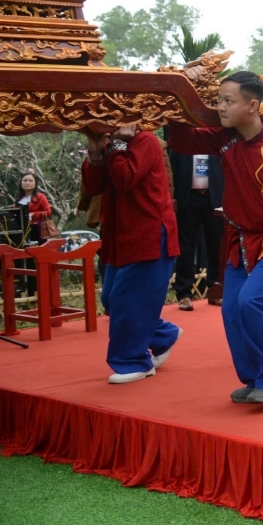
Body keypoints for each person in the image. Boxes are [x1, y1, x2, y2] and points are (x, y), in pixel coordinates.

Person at [168, 71, 263, 404]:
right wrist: (178, 99)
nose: (220, 107)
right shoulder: (225, 139)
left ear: (252, 105)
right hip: (238, 240)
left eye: (227, 101)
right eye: (218, 100)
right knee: (232, 309)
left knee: (251, 302)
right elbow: (182, 141)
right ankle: (254, 379)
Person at [82, 125, 182, 384]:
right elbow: (94, 187)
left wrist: (115, 146)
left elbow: (125, 177)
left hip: (146, 232)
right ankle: (162, 335)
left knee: (126, 299)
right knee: (112, 298)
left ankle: (134, 360)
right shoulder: (112, 142)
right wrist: (95, 154)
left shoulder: (146, 140)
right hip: (120, 234)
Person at [168, 135, 225, 310]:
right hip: (188, 199)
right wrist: (174, 196)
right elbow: (172, 169)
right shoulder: (182, 142)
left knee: (216, 245)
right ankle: (184, 293)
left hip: (214, 199)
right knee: (185, 247)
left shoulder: (218, 141)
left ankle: (215, 290)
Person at [14, 173, 52, 243]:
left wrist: (33, 214)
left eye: (30, 180)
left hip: (37, 229)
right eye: (25, 180)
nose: (27, 183)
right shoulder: (18, 199)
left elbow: (48, 212)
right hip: (21, 231)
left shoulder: (40, 197)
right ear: (21, 183)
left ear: (35, 183)